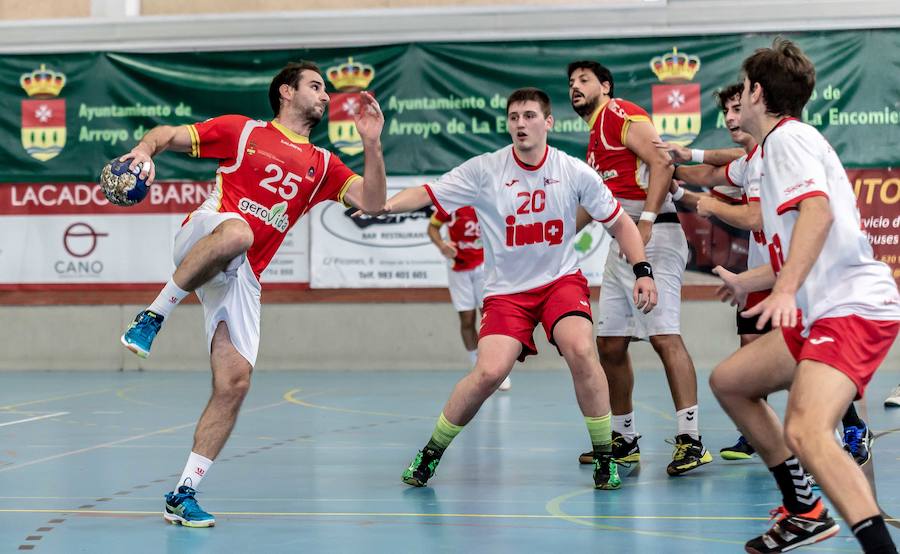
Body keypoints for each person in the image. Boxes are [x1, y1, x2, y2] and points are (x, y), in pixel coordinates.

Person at [117, 61, 387, 527]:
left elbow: (374, 203)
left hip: (242, 274)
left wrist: (371, 144)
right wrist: (143, 150)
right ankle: (152, 316)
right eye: (316, 87)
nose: (325, 96)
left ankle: (183, 493)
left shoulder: (322, 164)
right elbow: (166, 134)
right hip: (207, 232)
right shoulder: (243, 132)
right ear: (286, 91)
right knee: (239, 233)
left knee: (234, 384)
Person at [375, 87, 657, 490]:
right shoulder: (485, 170)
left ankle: (605, 456)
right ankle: (431, 452)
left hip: (560, 281)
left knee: (580, 348)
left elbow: (621, 223)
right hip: (508, 292)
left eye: (528, 116)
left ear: (548, 122)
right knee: (489, 372)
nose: (520, 124)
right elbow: (428, 192)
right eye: (513, 117)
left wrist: (643, 269)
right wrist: (385, 205)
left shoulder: (573, 170)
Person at [711, 38, 899, 553]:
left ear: (756, 92)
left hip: (852, 307)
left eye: (741, 92)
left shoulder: (789, 140)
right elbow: (796, 248)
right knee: (730, 380)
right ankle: (804, 512)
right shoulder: (771, 153)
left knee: (808, 429)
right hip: (824, 309)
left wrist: (786, 290)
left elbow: (818, 213)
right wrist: (748, 283)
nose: (736, 103)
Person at [665, 85, 873, 466]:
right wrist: (671, 173)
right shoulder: (756, 156)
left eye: (737, 105)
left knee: (809, 364)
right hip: (769, 273)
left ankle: (845, 433)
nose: (730, 117)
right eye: (725, 110)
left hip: (811, 280)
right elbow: (714, 168)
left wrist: (710, 204)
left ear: (758, 100)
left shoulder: (782, 147)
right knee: (743, 363)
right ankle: (770, 440)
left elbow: (767, 215)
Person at [568, 60, 709, 476]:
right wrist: (553, 242)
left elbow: (663, 161)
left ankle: (691, 440)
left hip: (657, 235)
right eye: (571, 82)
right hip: (621, 246)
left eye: (584, 80)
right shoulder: (594, 142)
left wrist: (646, 220)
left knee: (665, 337)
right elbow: (590, 208)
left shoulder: (618, 113)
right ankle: (624, 440)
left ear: (605, 86)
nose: (575, 86)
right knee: (610, 344)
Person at [427, 207, 512, 391]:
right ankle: (476, 365)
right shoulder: (451, 204)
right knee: (467, 319)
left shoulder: (487, 200)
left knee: (489, 317)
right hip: (458, 268)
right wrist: (442, 245)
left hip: (484, 266)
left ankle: (499, 367)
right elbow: (432, 228)